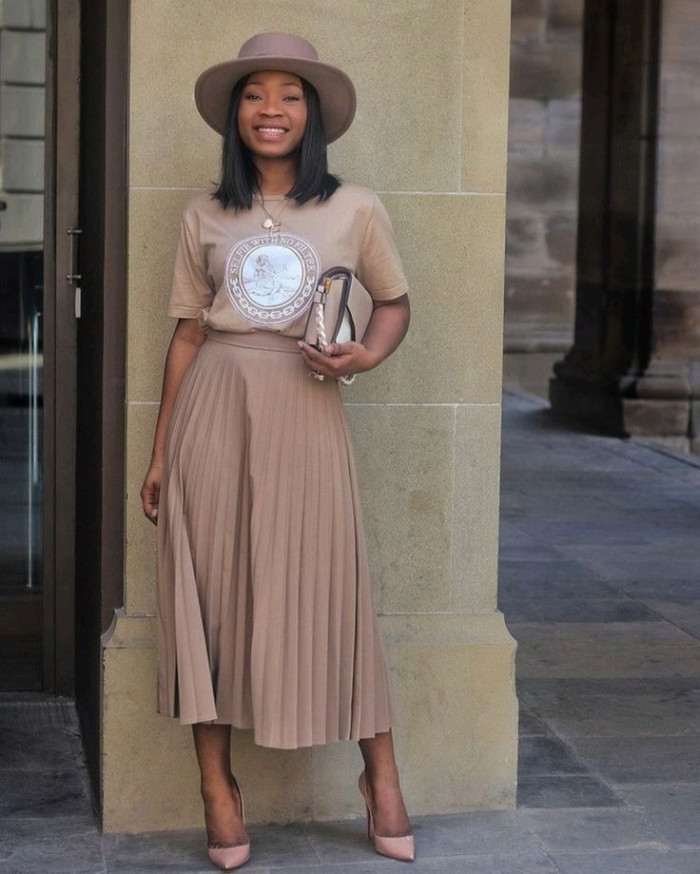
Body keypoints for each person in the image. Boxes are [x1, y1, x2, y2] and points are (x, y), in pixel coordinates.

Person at [140, 31, 413, 871]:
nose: (271, 109)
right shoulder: (203, 214)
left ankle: (383, 778)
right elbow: (186, 336)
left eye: (289, 95)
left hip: (308, 412)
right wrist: (158, 456)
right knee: (213, 599)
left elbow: (394, 305)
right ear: (236, 114)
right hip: (215, 409)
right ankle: (217, 790)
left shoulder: (356, 207)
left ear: (312, 113)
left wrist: (363, 355)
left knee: (331, 588)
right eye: (255, 94)